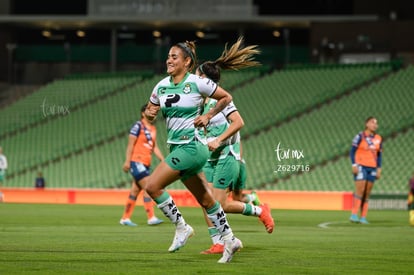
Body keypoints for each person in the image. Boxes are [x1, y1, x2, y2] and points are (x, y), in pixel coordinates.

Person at [144, 40, 242, 263]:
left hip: (193, 147)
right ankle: (230, 239)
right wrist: (150, 114)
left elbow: (227, 97)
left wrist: (208, 115)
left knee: (152, 186)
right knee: (206, 201)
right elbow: (151, 109)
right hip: (177, 147)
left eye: (174, 57)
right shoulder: (160, 86)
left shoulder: (198, 83)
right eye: (168, 56)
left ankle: (181, 227)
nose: (169, 60)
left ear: (187, 62)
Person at [195, 37, 274, 254]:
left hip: (226, 155)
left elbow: (239, 122)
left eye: (197, 75)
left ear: (205, 79)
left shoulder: (222, 100)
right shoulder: (199, 102)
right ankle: (218, 243)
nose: (194, 79)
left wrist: (219, 140)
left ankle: (259, 211)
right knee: (206, 202)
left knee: (220, 205)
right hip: (209, 158)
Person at [120, 104, 164, 226]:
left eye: (154, 111)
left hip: (146, 163)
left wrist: (162, 159)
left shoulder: (153, 129)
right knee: (149, 188)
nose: (153, 113)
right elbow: (130, 145)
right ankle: (151, 217)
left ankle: (125, 218)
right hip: (136, 161)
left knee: (135, 190)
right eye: (149, 110)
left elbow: (154, 147)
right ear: (143, 113)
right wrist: (127, 161)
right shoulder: (137, 126)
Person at [349, 116, 383, 224]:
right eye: (372, 122)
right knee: (360, 190)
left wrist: (379, 169)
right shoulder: (360, 136)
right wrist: (354, 165)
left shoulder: (379, 138)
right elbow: (352, 151)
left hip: (372, 167)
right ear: (366, 124)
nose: (375, 125)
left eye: (376, 123)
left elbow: (379, 155)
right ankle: (354, 214)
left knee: (367, 193)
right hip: (361, 166)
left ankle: (363, 217)